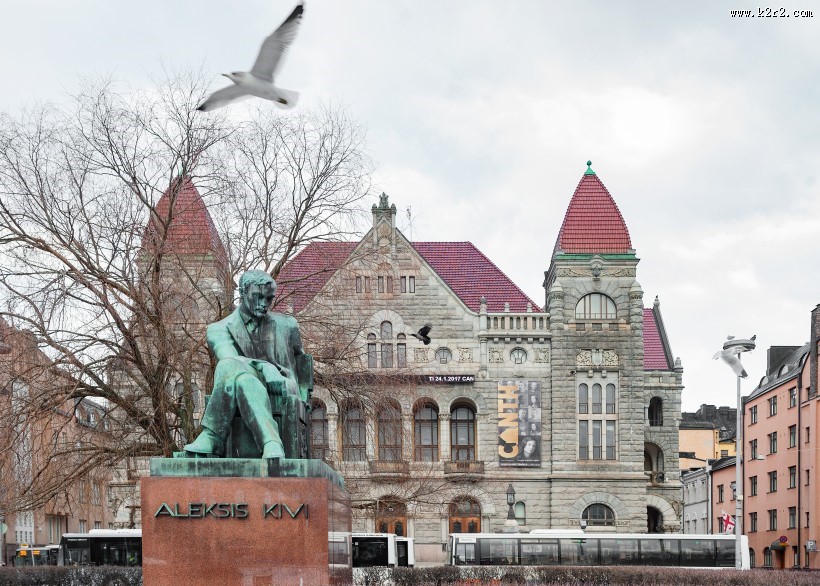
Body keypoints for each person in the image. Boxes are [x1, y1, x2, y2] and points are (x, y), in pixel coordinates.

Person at [183, 270, 305, 459]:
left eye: (269, 299)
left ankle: (213, 435)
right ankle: (271, 442)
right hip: (243, 386)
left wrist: (286, 379)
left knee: (230, 371)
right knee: (242, 380)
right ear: (242, 293)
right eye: (258, 297)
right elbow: (230, 361)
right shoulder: (218, 329)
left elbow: (302, 364)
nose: (264, 304)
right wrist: (266, 367)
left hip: (281, 386)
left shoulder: (288, 325)